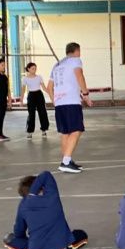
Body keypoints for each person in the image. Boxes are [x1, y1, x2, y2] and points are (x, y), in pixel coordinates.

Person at [2, 171, 88, 249]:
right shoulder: (52, 197)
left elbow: (19, 231)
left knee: (9, 239)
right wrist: (33, 192)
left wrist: (24, 240)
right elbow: (46, 174)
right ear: (42, 187)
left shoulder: (23, 205)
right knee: (80, 234)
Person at [46, 42, 92, 174]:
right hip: (71, 101)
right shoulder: (75, 61)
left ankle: (67, 159)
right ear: (76, 51)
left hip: (60, 103)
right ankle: (65, 162)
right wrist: (86, 94)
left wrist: (54, 100)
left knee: (65, 132)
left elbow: (49, 87)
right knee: (77, 129)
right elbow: (79, 76)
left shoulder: (57, 64)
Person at [22, 62, 50, 139]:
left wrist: (51, 94)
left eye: (35, 68)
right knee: (31, 114)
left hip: (39, 95)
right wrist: (21, 100)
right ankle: (29, 132)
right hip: (31, 96)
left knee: (42, 112)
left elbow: (44, 88)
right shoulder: (25, 78)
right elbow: (23, 90)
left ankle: (44, 130)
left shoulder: (39, 77)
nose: (34, 70)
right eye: (33, 68)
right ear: (28, 69)